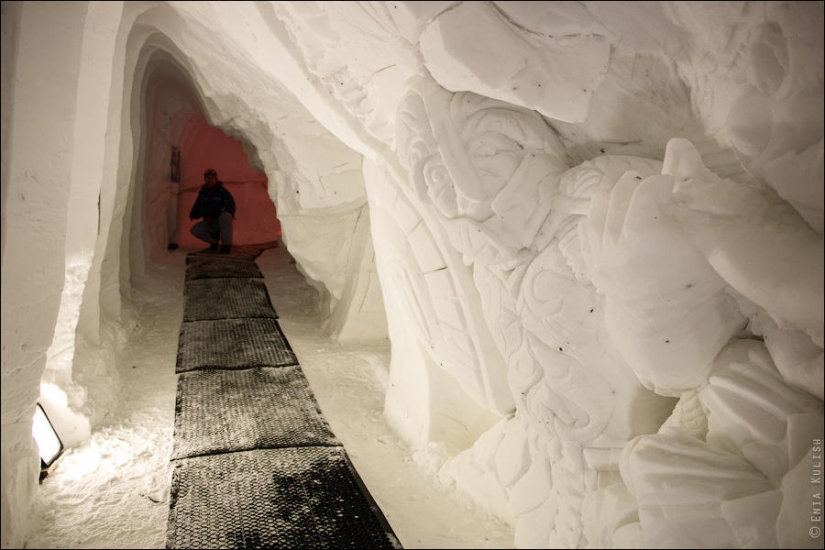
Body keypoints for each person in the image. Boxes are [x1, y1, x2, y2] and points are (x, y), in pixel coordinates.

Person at [189, 168, 236, 253]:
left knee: (226, 216)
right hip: (209, 222)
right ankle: (214, 242)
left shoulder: (223, 192)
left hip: (220, 222)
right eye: (208, 178)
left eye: (212, 177)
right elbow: (197, 207)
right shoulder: (202, 194)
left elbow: (230, 207)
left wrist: (216, 214)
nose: (210, 180)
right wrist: (194, 213)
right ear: (205, 179)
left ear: (216, 179)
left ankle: (226, 245)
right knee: (195, 230)